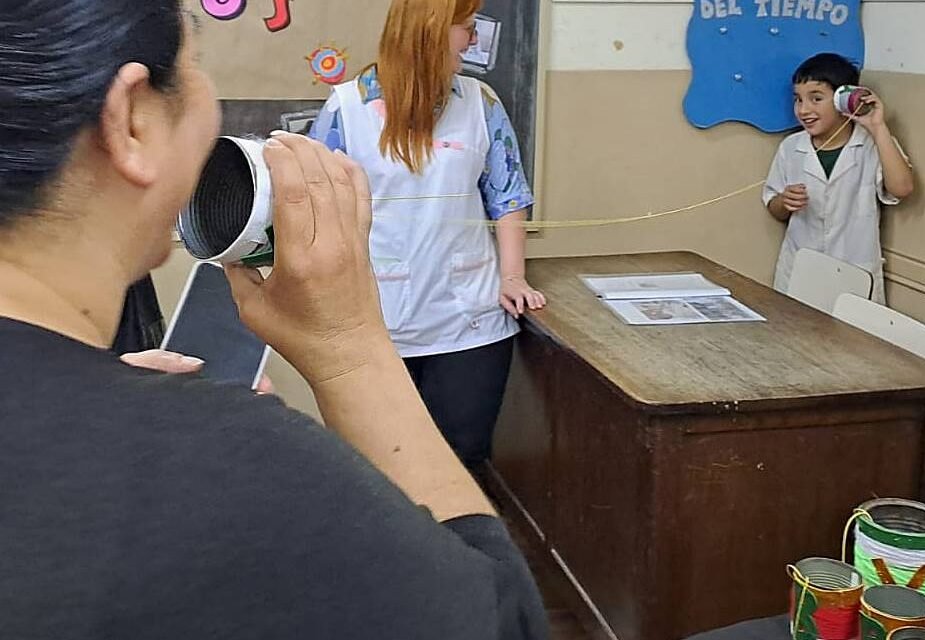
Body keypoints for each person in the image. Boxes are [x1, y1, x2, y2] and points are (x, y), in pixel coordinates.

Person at [0, 2, 548, 638]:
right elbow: (501, 622)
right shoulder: (242, 469)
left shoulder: (480, 103)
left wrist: (98, 402)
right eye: (196, 64)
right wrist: (350, 352)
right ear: (133, 120)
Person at [310, 0, 546, 475]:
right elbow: (316, 209)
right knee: (381, 470)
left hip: (470, 325)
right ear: (430, 31)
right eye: (466, 27)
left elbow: (508, 196)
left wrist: (513, 275)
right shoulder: (348, 108)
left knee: (462, 462)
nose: (474, 39)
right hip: (377, 327)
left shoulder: (482, 103)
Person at [763, 53, 915, 305]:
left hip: (853, 269)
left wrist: (878, 127)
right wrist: (784, 201)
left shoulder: (870, 144)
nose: (803, 110)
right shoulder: (791, 148)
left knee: (853, 340)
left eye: (816, 99)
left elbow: (902, 188)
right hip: (800, 270)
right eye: (798, 99)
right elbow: (774, 206)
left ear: (842, 99)